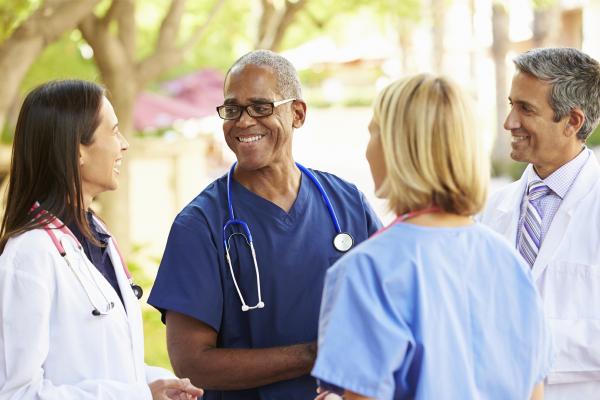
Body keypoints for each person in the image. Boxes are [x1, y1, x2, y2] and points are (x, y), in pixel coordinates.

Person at [147, 49, 381, 400]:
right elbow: (191, 362)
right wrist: (313, 354)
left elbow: (388, 314)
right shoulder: (201, 225)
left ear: (297, 113)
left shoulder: (347, 204)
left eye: (260, 107)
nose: (243, 122)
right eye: (232, 109)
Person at [311, 74, 553, 400]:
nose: (366, 151)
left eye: (373, 133)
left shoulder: (368, 269)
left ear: (398, 147)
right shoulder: (509, 261)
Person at [0, 80, 203, 400]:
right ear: (77, 148)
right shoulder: (30, 253)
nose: (124, 144)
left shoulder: (97, 234)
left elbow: (107, 364)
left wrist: (157, 382)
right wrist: (138, 395)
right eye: (114, 131)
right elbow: (17, 393)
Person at [480, 47, 600, 399]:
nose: (509, 123)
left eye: (526, 109)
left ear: (572, 122)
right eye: (510, 104)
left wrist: (515, 340)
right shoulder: (491, 208)